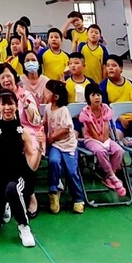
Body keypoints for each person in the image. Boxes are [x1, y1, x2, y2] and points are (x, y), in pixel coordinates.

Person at [0, 89, 44, 248]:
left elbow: (33, 165)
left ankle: (24, 226)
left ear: (16, 106)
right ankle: (5, 206)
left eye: (10, 104)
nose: (7, 108)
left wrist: (40, 147)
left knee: (12, 189)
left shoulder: (23, 132)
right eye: (3, 104)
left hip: (18, 178)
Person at [43, 80, 85, 214]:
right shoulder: (48, 108)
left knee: (71, 171)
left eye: (47, 92)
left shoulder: (63, 111)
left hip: (68, 145)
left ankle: (78, 199)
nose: (44, 94)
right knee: (54, 162)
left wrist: (52, 137)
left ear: (55, 96)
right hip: (56, 145)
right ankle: (53, 192)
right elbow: (45, 122)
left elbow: (66, 129)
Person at [78, 83, 127, 197]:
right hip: (91, 139)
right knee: (100, 151)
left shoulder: (105, 108)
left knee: (119, 150)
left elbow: (106, 127)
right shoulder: (85, 111)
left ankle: (109, 177)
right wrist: (101, 141)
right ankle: (113, 177)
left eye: (99, 95)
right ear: (88, 97)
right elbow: (92, 131)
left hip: (105, 138)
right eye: (93, 95)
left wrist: (105, 140)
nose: (97, 97)